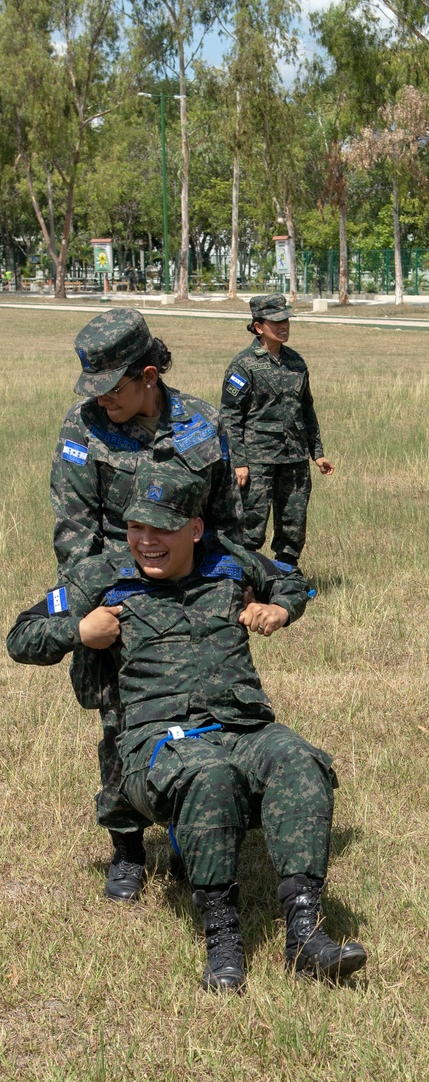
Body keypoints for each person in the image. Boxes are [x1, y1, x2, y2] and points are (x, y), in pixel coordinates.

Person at [8, 463, 367, 995]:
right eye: (135, 528)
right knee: (211, 775)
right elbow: (22, 636)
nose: (146, 542)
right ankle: (224, 943)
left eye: (162, 530)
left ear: (195, 528)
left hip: (242, 726)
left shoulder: (228, 561)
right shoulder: (101, 576)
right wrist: (80, 630)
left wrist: (280, 608)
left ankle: (305, 936)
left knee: (300, 758)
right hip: (156, 746)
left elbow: (295, 580)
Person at [50, 307, 243, 902]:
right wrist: (95, 610)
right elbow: (75, 535)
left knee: (204, 712)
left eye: (111, 388)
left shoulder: (201, 425)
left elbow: (225, 524)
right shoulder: (83, 431)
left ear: (149, 375)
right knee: (121, 718)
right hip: (122, 598)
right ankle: (128, 846)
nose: (100, 399)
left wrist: (228, 594)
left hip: (194, 600)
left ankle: (193, 825)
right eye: (95, 388)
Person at [219, 295, 334, 567]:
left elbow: (306, 410)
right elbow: (230, 416)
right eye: (277, 321)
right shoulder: (243, 365)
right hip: (258, 460)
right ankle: (245, 579)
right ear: (259, 327)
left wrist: (317, 453)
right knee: (250, 524)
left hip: (293, 458)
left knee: (293, 523)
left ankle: (286, 578)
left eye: (286, 320)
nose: (284, 326)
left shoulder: (296, 362)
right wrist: (239, 462)